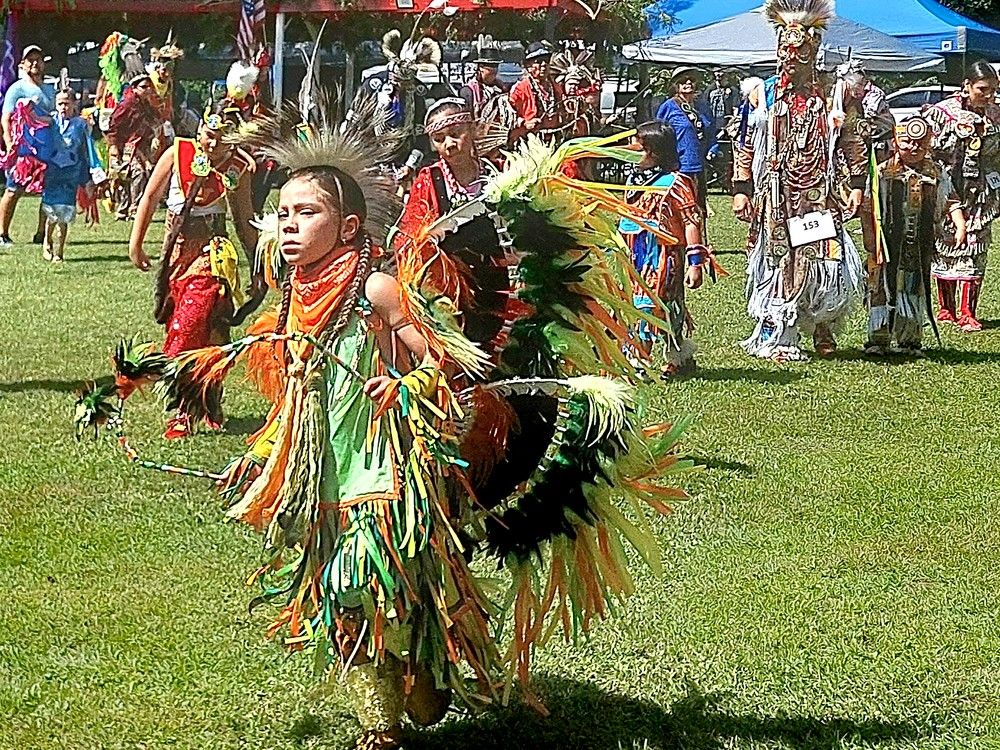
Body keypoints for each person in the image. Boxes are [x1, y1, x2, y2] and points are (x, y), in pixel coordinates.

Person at [731, 0, 865, 361]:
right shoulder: (763, 93)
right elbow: (744, 141)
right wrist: (742, 189)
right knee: (778, 258)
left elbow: (853, 139)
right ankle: (780, 330)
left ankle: (823, 326)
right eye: (785, 51)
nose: (790, 59)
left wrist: (856, 184)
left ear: (814, 51)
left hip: (817, 193)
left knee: (820, 256)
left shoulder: (836, 93)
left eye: (799, 52)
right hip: (776, 192)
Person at [127, 103, 259, 439]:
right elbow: (150, 197)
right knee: (193, 327)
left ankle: (185, 408)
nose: (211, 144)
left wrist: (259, 265)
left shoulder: (239, 168)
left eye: (220, 140)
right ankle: (207, 399)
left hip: (213, 256)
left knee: (196, 321)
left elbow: (244, 220)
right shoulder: (177, 153)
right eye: (207, 135)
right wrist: (136, 243)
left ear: (233, 142)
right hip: (177, 255)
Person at [866, 115, 966, 357]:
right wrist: (871, 238)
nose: (914, 148)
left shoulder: (936, 172)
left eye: (920, 143)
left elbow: (951, 200)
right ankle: (879, 339)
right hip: (886, 243)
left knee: (913, 286)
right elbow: (868, 207)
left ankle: (909, 340)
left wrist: (960, 225)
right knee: (881, 287)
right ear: (895, 143)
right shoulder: (882, 172)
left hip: (918, 243)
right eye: (908, 142)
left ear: (929, 143)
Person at [620, 120, 707, 377]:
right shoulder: (633, 179)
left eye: (637, 143)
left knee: (654, 306)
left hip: (664, 257)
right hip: (636, 255)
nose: (630, 146)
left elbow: (692, 221)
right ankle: (679, 356)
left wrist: (695, 262)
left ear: (654, 151)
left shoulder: (675, 182)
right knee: (645, 305)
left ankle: (639, 360)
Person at [924, 60, 1000, 332]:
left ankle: (968, 311)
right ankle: (946, 307)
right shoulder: (942, 113)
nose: (989, 96)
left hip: (982, 191)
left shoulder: (996, 115)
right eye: (983, 90)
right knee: (945, 244)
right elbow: (926, 150)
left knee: (975, 243)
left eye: (994, 90)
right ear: (967, 86)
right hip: (947, 188)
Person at [38, 88, 99, 263]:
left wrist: (89, 176)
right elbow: (35, 121)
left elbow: (86, 150)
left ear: (74, 104)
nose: (63, 107)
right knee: (51, 212)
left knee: (65, 213)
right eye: (60, 103)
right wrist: (26, 110)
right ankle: (47, 241)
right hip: (53, 172)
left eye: (66, 103)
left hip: (71, 172)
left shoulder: (80, 124)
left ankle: (60, 251)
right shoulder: (52, 121)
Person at [0, 45, 52, 246]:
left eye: (38, 59)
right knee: (14, 190)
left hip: (47, 148)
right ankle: (3, 233)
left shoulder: (49, 89)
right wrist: (9, 142)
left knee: (49, 191)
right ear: (23, 64)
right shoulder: (17, 88)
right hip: (24, 150)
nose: (35, 63)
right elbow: (6, 118)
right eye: (30, 60)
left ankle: (42, 233)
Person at [656, 67, 718, 226]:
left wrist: (713, 148)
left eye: (691, 80)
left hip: (699, 165)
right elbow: (658, 134)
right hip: (678, 166)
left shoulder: (702, 106)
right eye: (683, 81)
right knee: (681, 207)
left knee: (699, 206)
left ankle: (699, 244)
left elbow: (710, 131)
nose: (688, 83)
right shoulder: (669, 106)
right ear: (676, 86)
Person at [106, 73, 160, 221]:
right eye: (143, 87)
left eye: (149, 87)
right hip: (125, 146)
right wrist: (113, 146)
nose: (148, 90)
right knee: (136, 173)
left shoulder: (145, 105)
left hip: (140, 146)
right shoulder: (127, 104)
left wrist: (156, 134)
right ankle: (133, 208)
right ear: (134, 88)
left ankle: (125, 209)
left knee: (136, 175)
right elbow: (113, 126)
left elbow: (156, 120)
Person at [508, 41, 566, 144]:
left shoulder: (555, 87)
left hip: (553, 140)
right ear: (528, 66)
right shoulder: (520, 89)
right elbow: (507, 116)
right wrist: (525, 123)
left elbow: (563, 109)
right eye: (539, 61)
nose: (544, 64)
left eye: (546, 61)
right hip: (528, 142)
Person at [458, 43, 507, 119]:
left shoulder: (500, 89)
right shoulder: (468, 91)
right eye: (490, 69)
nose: (494, 73)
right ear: (480, 68)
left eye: (496, 67)